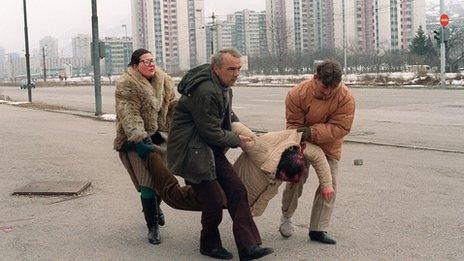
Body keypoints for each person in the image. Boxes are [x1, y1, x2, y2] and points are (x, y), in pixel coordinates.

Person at [167, 48, 273, 260]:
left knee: (236, 190)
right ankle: (209, 244)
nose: (236, 73)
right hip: (191, 152)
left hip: (207, 149)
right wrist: (237, 140)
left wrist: (241, 128)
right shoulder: (206, 91)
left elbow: (226, 114)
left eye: (239, 69)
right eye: (231, 69)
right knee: (214, 200)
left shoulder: (222, 86)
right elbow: (211, 132)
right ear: (216, 69)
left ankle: (248, 247)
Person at [279, 59, 355, 244]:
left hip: (330, 144)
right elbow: (294, 127)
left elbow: (341, 127)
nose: (328, 91)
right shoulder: (297, 94)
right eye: (324, 86)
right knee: (296, 177)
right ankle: (286, 217)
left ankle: (318, 229)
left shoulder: (345, 97)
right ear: (316, 78)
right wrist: (304, 135)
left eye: (333, 88)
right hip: (302, 142)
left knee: (329, 184)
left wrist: (312, 131)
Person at [114, 48, 177, 245]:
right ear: (135, 65)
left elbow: (174, 106)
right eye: (145, 61)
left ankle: (156, 208)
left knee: (160, 180)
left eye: (153, 60)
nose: (151, 64)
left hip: (160, 139)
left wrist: (175, 132)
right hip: (135, 141)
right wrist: (140, 137)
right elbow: (129, 113)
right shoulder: (127, 84)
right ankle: (152, 226)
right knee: (147, 182)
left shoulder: (164, 80)